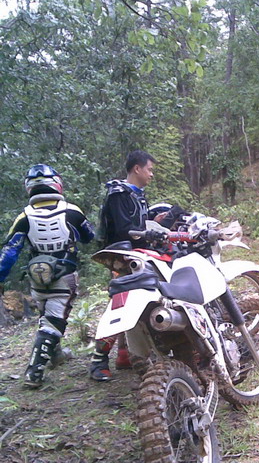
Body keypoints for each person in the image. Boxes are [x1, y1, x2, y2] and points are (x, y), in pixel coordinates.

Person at [0, 164, 95, 388]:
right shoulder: (72, 211)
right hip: (65, 275)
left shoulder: (24, 216)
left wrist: (1, 278)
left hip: (37, 278)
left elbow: (10, 251)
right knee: (53, 322)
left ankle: (57, 355)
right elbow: (89, 236)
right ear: (57, 183)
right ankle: (34, 373)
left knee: (47, 317)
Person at [89, 150, 157, 381]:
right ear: (137, 168)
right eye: (149, 169)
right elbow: (123, 230)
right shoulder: (118, 195)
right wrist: (147, 233)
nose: (151, 174)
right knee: (120, 305)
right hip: (123, 259)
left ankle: (125, 354)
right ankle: (98, 360)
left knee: (136, 304)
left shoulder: (137, 195)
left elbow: (139, 225)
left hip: (139, 256)